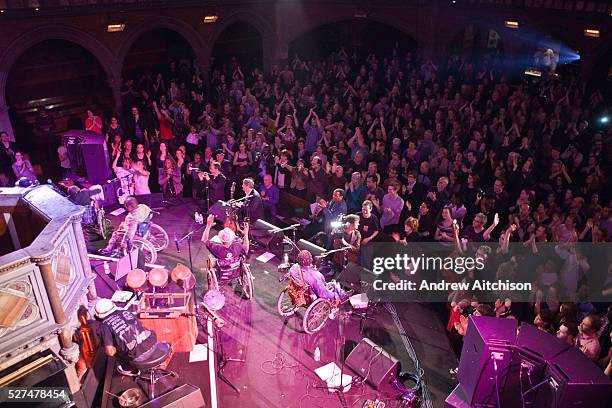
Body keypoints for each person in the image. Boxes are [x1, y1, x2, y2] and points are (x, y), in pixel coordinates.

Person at [95, 298, 157, 375]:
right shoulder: (126, 311)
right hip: (153, 344)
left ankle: (129, 370)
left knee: (118, 351)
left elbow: (110, 352)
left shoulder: (104, 326)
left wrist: (116, 349)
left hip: (139, 356)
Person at [201, 214, 249, 282]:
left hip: (222, 270)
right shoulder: (238, 246)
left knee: (210, 258)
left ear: (221, 239)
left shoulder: (216, 248)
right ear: (232, 239)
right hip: (236, 269)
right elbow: (246, 249)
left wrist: (208, 226)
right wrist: (246, 234)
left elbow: (204, 240)